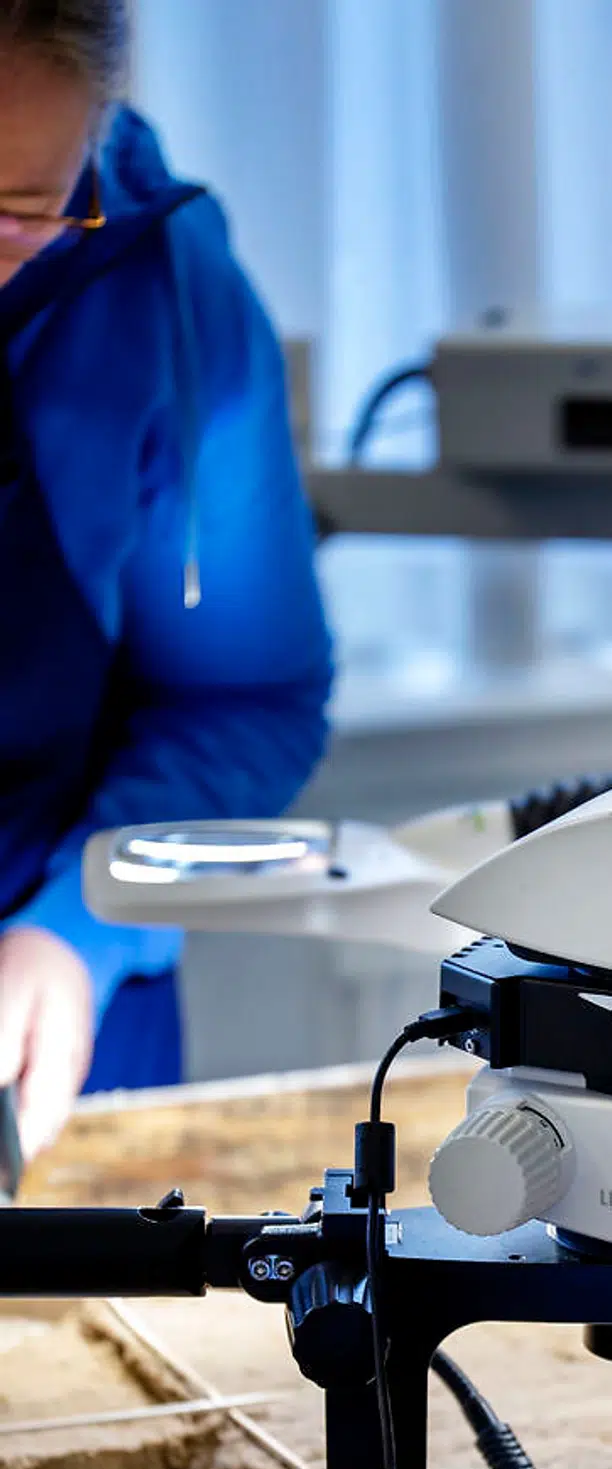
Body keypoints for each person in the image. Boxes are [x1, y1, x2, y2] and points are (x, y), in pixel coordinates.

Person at [0, 1, 331, 1162]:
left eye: (15, 215)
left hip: (44, 982)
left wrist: (76, 934)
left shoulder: (160, 289)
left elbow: (241, 699)